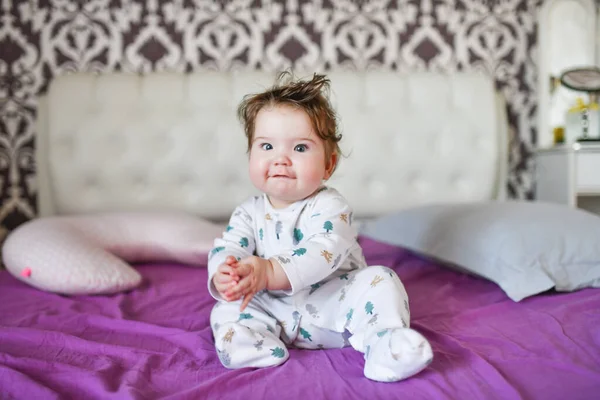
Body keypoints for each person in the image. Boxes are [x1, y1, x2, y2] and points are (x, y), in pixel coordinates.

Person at [207, 72, 433, 382]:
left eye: (300, 148)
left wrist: (268, 271)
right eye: (266, 146)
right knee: (225, 310)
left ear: (329, 164)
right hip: (273, 311)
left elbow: (322, 250)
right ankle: (251, 344)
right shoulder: (248, 212)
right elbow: (229, 246)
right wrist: (227, 273)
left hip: (333, 309)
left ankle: (384, 345)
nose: (281, 159)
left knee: (382, 280)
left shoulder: (331, 206)